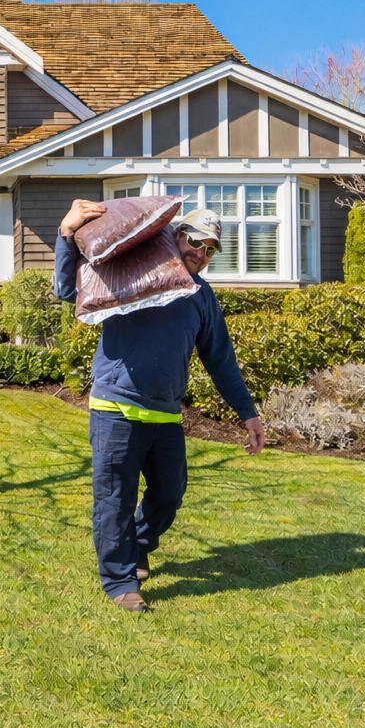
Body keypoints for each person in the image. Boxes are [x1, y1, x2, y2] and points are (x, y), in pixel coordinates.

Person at [54, 200, 265, 613]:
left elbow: (220, 360)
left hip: (166, 413)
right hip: (116, 408)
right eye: (196, 241)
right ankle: (119, 582)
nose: (201, 253)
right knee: (113, 498)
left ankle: (139, 544)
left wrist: (248, 413)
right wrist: (66, 233)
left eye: (211, 250)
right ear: (175, 235)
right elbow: (67, 290)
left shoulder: (201, 296)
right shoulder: (132, 270)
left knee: (170, 493)